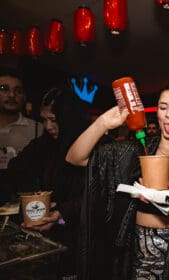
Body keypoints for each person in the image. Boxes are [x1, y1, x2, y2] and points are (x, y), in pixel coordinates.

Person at [66, 84, 169, 280]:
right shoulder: (135, 151)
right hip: (134, 253)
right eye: (162, 107)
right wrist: (103, 123)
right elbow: (75, 158)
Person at [6, 85, 88, 278]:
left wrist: (61, 212)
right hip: (47, 238)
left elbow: (94, 196)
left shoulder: (93, 145)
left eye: (54, 120)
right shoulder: (44, 144)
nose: (48, 126)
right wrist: (33, 194)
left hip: (79, 242)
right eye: (44, 120)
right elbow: (16, 169)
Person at [0, 67, 43, 203]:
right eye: (4, 88)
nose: (12, 95)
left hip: (22, 208)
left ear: (24, 97)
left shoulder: (38, 129)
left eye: (18, 91)